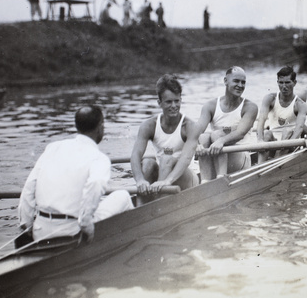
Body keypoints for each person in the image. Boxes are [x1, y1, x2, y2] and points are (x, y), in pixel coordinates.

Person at [18, 106, 134, 242]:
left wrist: (27, 227)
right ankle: (127, 242)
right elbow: (96, 184)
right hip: (72, 231)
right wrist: (86, 224)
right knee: (124, 196)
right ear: (100, 127)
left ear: (77, 126)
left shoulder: (53, 148)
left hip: (41, 231)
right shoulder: (99, 158)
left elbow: (28, 189)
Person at [130, 74, 199, 205]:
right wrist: (139, 180)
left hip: (186, 179)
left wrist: (167, 181)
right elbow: (135, 155)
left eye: (177, 101)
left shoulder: (189, 126)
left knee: (167, 159)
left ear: (180, 100)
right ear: (159, 103)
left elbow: (185, 158)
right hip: (163, 176)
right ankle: (140, 209)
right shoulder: (148, 126)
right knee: (148, 161)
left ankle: (157, 207)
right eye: (168, 102)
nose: (174, 106)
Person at [195, 67, 258, 181]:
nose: (240, 85)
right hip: (218, 157)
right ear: (225, 81)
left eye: (243, 82)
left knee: (217, 135)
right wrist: (196, 144)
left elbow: (240, 133)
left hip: (241, 160)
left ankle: (220, 179)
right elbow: (196, 132)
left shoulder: (250, 107)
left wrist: (220, 140)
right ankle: (205, 183)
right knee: (203, 137)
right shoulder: (210, 105)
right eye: (236, 81)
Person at [256, 66, 307, 163]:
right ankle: (259, 166)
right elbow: (261, 121)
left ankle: (274, 163)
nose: (284, 86)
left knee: (287, 130)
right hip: (273, 143)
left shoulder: (300, 105)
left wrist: (289, 144)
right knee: (266, 133)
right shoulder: (270, 98)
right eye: (281, 82)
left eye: (287, 82)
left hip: (290, 142)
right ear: (278, 83)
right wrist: (259, 140)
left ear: (294, 83)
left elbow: (299, 129)